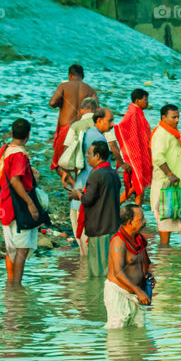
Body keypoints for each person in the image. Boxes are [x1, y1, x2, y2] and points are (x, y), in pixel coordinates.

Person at [0, 119, 48, 286]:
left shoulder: (4, 150)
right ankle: (17, 286)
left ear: (12, 133)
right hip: (19, 208)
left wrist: (8, 189)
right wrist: (29, 203)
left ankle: (10, 283)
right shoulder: (19, 155)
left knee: (11, 249)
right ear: (28, 135)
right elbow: (15, 180)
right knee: (22, 249)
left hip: (6, 205)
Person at [72, 141, 121, 277]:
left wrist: (78, 194)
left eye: (89, 153)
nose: (86, 156)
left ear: (97, 156)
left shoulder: (96, 174)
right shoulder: (113, 173)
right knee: (109, 267)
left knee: (97, 271)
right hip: (113, 226)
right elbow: (103, 194)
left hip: (99, 228)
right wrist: (84, 192)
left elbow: (87, 200)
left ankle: (96, 295)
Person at [67, 106, 111, 254]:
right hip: (87, 201)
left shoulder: (88, 133)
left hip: (79, 194)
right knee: (91, 250)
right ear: (99, 120)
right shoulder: (98, 139)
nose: (112, 125)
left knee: (84, 249)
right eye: (110, 121)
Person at [150, 104, 181, 246]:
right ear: (164, 117)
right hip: (165, 185)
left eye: (178, 117)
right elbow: (158, 158)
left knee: (169, 221)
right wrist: (170, 174)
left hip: (171, 185)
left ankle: (165, 255)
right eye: (173, 117)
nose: (177, 120)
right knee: (164, 222)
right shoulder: (161, 133)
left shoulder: (171, 133)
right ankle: (163, 257)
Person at [105, 204, 152, 329]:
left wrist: (148, 277)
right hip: (119, 293)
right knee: (117, 332)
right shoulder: (118, 241)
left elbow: (141, 264)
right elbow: (117, 272)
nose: (145, 221)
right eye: (141, 219)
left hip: (136, 293)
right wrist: (138, 291)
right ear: (130, 222)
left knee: (139, 330)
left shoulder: (138, 238)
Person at [49, 64, 97, 171]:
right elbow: (96, 110)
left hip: (66, 129)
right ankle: (78, 184)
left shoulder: (63, 86)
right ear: (83, 76)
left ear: (70, 75)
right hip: (84, 129)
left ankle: (72, 184)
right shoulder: (91, 90)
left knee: (59, 164)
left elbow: (52, 102)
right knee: (80, 162)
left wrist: (61, 103)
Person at [114, 89, 153, 206]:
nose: (147, 102)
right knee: (136, 184)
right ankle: (115, 205)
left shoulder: (138, 112)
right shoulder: (132, 112)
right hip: (134, 154)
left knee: (139, 184)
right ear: (137, 100)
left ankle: (137, 209)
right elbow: (121, 127)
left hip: (140, 153)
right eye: (145, 100)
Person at [57, 96, 99, 184]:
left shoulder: (76, 126)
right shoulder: (101, 124)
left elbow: (67, 146)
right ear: (96, 109)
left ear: (82, 110)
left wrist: (66, 167)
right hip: (100, 164)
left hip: (82, 164)